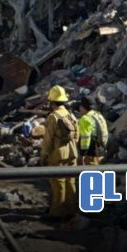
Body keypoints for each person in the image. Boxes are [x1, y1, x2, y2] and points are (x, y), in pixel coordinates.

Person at [40, 85, 79, 220]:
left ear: (52, 102)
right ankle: (71, 210)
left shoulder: (53, 116)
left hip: (58, 154)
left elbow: (48, 138)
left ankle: (57, 213)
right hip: (72, 152)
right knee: (70, 181)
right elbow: (77, 135)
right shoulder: (70, 115)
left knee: (58, 183)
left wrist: (44, 155)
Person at [77, 97, 108, 165]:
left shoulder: (85, 118)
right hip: (101, 151)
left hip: (91, 154)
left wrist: (82, 154)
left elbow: (85, 138)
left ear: (83, 107)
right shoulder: (98, 115)